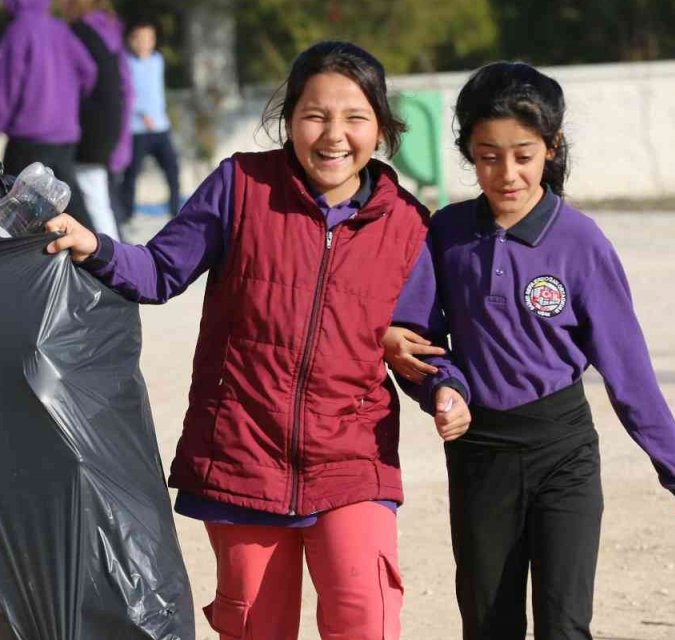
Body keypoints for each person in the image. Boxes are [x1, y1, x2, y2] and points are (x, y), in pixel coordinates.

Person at [44, 41, 472, 640]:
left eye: (355, 118)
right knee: (255, 628)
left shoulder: (406, 222)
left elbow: (417, 340)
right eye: (315, 116)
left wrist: (446, 389)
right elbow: (159, 272)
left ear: (381, 127)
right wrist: (94, 245)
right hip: (242, 452)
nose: (334, 136)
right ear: (289, 118)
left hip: (353, 457)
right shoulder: (240, 186)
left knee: (367, 617)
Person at [385, 62, 675, 640]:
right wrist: (442, 387)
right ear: (468, 152)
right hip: (479, 452)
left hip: (564, 452)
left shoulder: (580, 242)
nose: (506, 172)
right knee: (489, 624)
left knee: (564, 626)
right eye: (488, 155)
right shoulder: (447, 235)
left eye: (523, 154)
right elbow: (416, 339)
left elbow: (628, 369)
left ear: (551, 149)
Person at [0, 0, 96, 230]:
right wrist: (67, 101)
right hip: (64, 136)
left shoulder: (18, 30)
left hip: (29, 137)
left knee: (11, 214)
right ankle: (93, 256)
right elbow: (89, 71)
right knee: (72, 208)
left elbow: (6, 88)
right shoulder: (60, 28)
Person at [63, 0, 128, 241]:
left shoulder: (77, 32)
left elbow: (86, 77)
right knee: (99, 197)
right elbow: (125, 87)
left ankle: (112, 260)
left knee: (94, 197)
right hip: (109, 122)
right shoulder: (107, 33)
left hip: (91, 128)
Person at [122, 20, 180, 222]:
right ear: (131, 40)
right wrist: (141, 113)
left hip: (160, 127)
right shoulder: (125, 63)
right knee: (131, 175)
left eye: (148, 38)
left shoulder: (158, 61)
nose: (144, 43)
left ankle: (176, 211)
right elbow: (126, 95)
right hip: (136, 129)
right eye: (139, 38)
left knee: (172, 169)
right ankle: (127, 215)